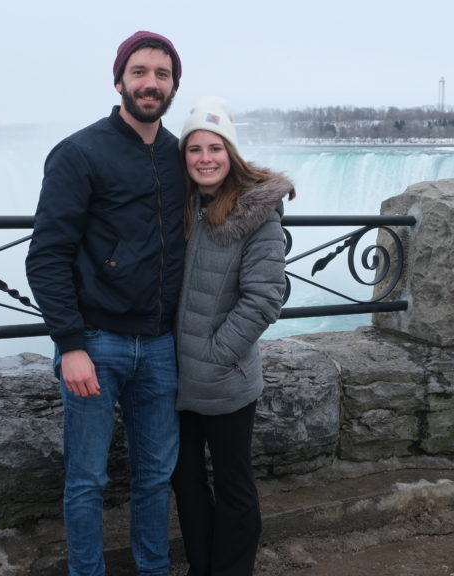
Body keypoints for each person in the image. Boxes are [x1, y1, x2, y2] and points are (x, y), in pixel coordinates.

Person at [24, 31, 186, 576]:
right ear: (119, 80)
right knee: (87, 480)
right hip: (96, 342)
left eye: (161, 75)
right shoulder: (79, 152)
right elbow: (46, 256)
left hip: (162, 345)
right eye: (140, 72)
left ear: (173, 85)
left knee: (155, 476)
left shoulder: (177, 153)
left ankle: (153, 569)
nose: (150, 83)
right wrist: (69, 344)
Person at [172, 97, 295, 576]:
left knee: (233, 484)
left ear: (232, 154)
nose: (205, 158)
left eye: (215, 148)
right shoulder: (180, 206)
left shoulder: (255, 212)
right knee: (184, 481)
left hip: (224, 376)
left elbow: (265, 298)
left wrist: (215, 354)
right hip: (175, 376)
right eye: (195, 148)